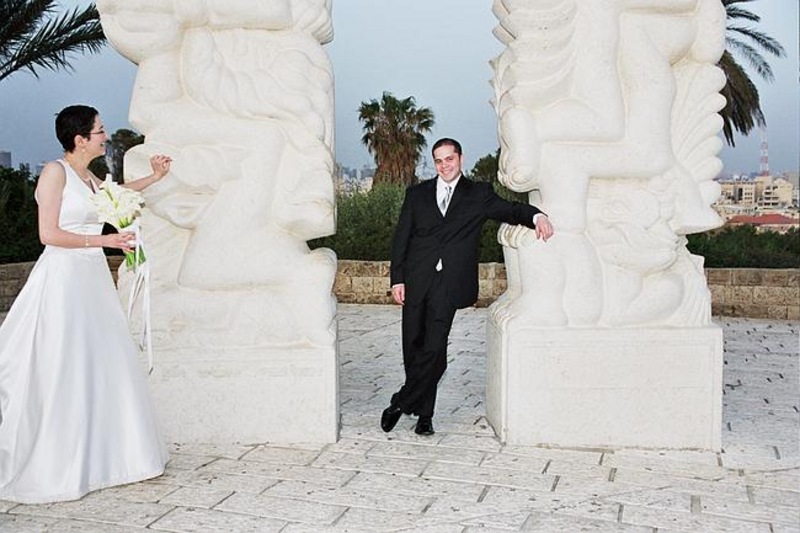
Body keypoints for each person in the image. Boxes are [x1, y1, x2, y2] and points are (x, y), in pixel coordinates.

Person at [0, 105, 171, 503]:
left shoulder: (88, 176)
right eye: (99, 131)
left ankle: (111, 458)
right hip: (63, 279)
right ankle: (60, 463)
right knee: (65, 362)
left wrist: (155, 176)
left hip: (92, 280)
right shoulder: (55, 172)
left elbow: (117, 196)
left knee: (101, 360)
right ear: (79, 139)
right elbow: (48, 234)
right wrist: (105, 240)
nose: (105, 136)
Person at [382, 138, 554, 436]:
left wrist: (536, 216)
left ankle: (403, 403)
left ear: (460, 159)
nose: (444, 165)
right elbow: (402, 239)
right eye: (438, 161)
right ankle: (422, 412)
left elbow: (510, 209)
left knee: (434, 348)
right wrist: (397, 279)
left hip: (448, 284)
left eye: (449, 159)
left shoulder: (478, 194)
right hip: (416, 280)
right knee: (414, 347)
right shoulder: (416, 194)